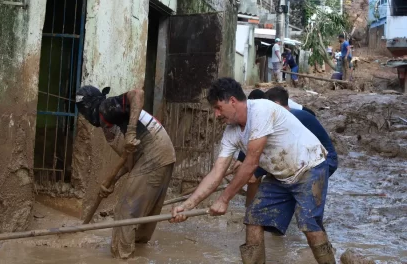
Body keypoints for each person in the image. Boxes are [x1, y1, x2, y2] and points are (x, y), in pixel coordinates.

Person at [170, 78, 335, 264]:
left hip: (310, 167)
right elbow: (217, 172)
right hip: (280, 175)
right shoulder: (231, 133)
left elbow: (251, 163)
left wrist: (224, 199)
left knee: (309, 224)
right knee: (253, 217)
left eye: (218, 108)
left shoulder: (261, 110)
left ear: (232, 101)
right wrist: (188, 205)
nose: (216, 115)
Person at [75, 85, 176, 260]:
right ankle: (139, 252)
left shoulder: (105, 108)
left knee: (125, 209)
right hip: (162, 153)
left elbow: (137, 93)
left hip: (154, 151)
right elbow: (130, 158)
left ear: (87, 107)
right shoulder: (109, 121)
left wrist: (130, 132)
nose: (84, 117)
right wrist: (112, 181)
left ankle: (123, 257)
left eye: (83, 112)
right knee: (146, 210)